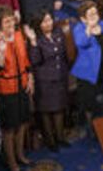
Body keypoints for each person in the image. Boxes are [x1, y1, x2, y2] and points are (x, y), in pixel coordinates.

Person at [0, 6, 33, 171]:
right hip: (7, 89)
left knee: (22, 122)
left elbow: (25, 60)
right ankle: (11, 161)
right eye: (6, 21)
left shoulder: (19, 35)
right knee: (10, 128)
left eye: (12, 20)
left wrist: (30, 78)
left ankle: (20, 154)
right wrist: (1, 52)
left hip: (22, 85)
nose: (11, 23)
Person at [70, 0, 103, 121]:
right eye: (91, 14)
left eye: (96, 13)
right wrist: (89, 28)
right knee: (94, 107)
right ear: (83, 18)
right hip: (90, 76)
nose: (95, 16)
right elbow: (80, 43)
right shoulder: (80, 28)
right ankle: (93, 131)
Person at [27, 11, 71, 150]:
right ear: (39, 24)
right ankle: (50, 141)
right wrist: (33, 42)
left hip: (60, 77)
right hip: (44, 81)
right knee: (46, 111)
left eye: (50, 20)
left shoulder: (58, 33)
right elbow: (34, 61)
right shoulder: (36, 40)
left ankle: (60, 137)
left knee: (59, 108)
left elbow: (64, 55)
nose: (49, 23)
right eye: (45, 21)